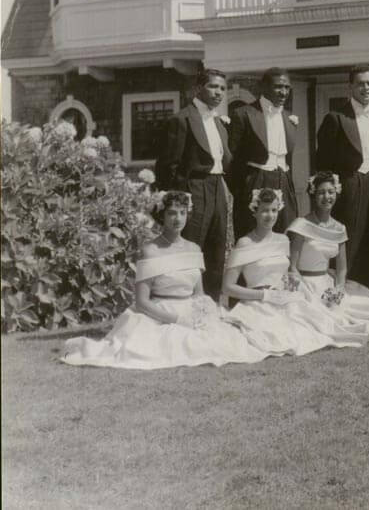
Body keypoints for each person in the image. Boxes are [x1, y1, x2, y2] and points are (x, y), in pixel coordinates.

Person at [61, 192, 271, 369]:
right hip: (159, 313)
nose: (178, 219)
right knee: (171, 346)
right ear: (162, 215)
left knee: (222, 342)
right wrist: (177, 319)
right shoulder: (150, 250)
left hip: (189, 307)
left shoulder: (193, 248)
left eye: (182, 213)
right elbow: (142, 302)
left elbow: (198, 293)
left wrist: (205, 311)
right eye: (172, 213)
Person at [222, 188, 368, 355]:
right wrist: (264, 295)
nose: (270, 216)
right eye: (264, 211)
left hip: (285, 299)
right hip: (257, 302)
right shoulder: (244, 243)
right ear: (254, 212)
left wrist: (291, 282)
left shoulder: (283, 240)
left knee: (317, 328)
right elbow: (227, 287)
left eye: (274, 210)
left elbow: (284, 273)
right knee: (278, 337)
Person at [286, 172, 369, 342]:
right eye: (321, 192)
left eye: (330, 191)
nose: (326, 197)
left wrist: (337, 290)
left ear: (337, 193)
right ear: (313, 194)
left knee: (364, 310)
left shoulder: (339, 228)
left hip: (327, 284)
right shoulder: (302, 225)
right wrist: (305, 292)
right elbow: (292, 267)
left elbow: (342, 269)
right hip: (304, 285)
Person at [315, 65, 369, 292]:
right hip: (350, 186)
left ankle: (366, 298)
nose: (366, 87)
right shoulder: (336, 118)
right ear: (350, 86)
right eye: (360, 83)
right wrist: (331, 191)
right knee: (347, 245)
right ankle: (338, 295)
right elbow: (322, 161)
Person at [154, 68, 232, 301]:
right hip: (193, 189)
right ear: (198, 89)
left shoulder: (219, 123)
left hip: (218, 187)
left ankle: (211, 306)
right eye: (213, 86)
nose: (218, 93)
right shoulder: (181, 119)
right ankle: (183, 304)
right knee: (191, 248)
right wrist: (178, 199)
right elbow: (168, 165)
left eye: (222, 88)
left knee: (216, 251)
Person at [228, 68, 300, 238]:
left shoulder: (289, 119)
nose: (283, 92)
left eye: (287, 87)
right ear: (264, 87)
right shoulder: (244, 114)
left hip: (284, 180)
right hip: (256, 181)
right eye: (278, 87)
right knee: (253, 235)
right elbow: (232, 160)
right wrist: (244, 188)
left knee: (286, 233)